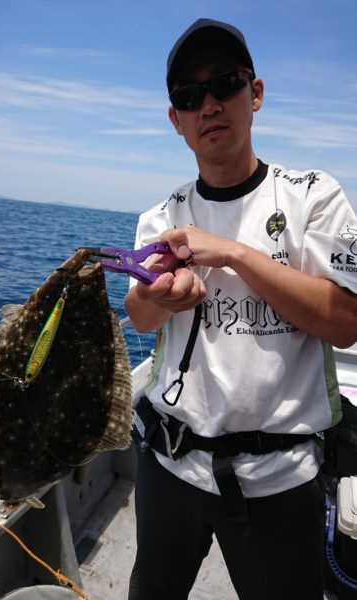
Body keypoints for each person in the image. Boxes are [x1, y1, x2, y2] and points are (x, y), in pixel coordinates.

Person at [125, 18, 357, 600]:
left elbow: (345, 322)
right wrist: (147, 298)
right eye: (188, 96)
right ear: (176, 120)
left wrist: (231, 253)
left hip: (279, 480)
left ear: (255, 93)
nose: (209, 105)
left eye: (224, 84)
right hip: (169, 466)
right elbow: (142, 319)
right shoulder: (161, 217)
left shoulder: (314, 195)